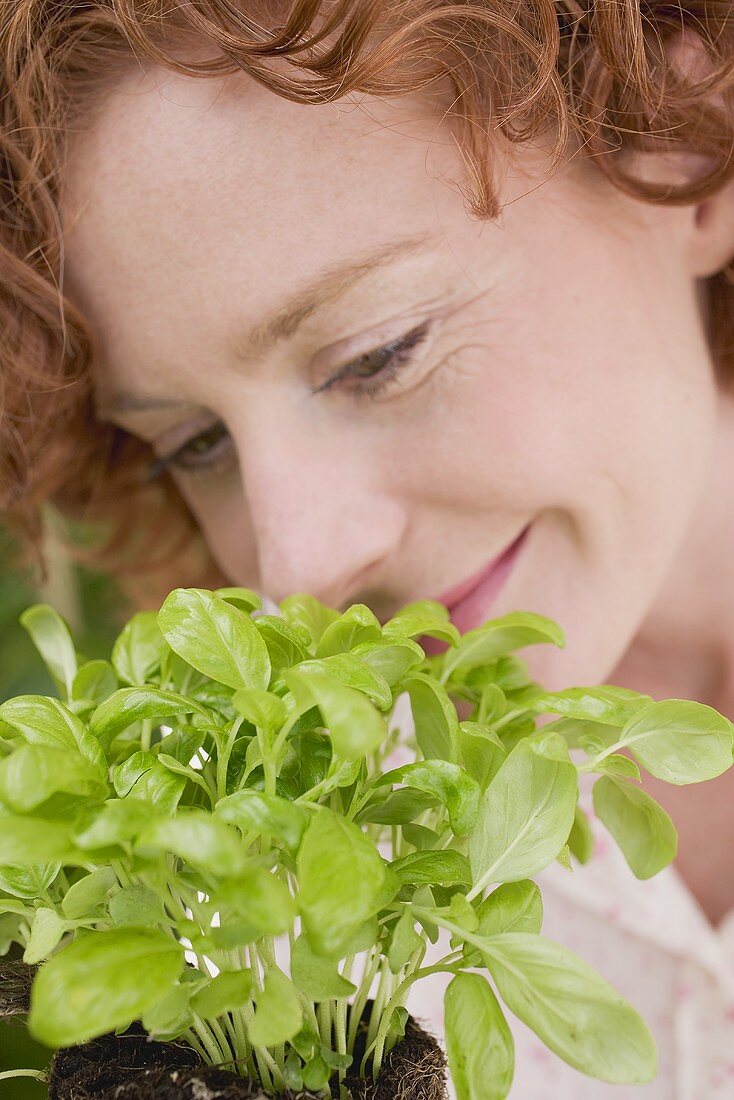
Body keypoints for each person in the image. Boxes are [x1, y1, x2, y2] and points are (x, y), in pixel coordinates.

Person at [2, 2, 734, 1095]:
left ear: (676, 142)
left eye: (376, 352)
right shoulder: (259, 917)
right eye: (193, 442)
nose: (295, 562)